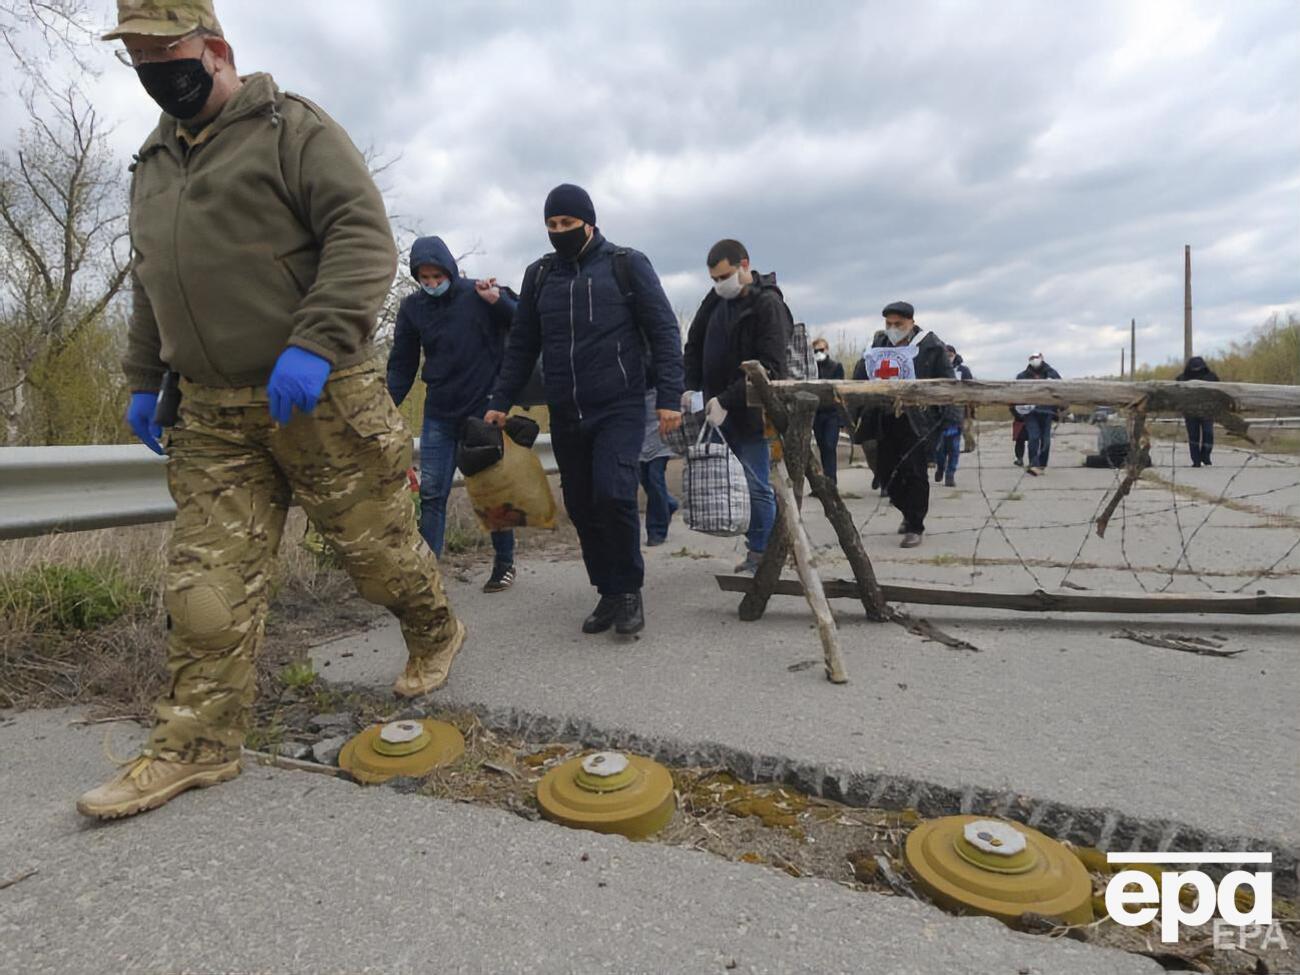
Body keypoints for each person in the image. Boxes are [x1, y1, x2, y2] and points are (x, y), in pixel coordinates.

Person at [81, 1, 464, 820]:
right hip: (213, 417)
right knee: (204, 589)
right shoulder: (151, 163)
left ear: (214, 49)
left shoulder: (293, 129)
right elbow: (152, 278)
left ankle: (434, 627)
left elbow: (363, 237)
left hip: (320, 398)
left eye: (164, 49)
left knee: (378, 558)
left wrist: (317, 340)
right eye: (137, 55)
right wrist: (144, 375)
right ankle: (197, 744)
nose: (152, 69)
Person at [485, 184, 683, 636]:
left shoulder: (626, 265)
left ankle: (630, 590)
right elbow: (521, 346)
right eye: (552, 225)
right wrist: (499, 400)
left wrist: (670, 397)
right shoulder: (539, 277)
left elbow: (665, 331)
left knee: (613, 493)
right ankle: (608, 592)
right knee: (581, 502)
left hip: (620, 404)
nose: (559, 232)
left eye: (567, 224)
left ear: (589, 223)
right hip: (566, 408)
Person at [387, 236, 519, 592]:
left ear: (449, 268)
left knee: (491, 491)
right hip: (439, 414)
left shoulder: (479, 293)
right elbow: (401, 365)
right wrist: (383, 406)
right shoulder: (412, 309)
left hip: (482, 412)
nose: (431, 284)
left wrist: (500, 301)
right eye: (424, 278)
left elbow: (524, 327)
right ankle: (428, 575)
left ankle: (505, 562)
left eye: (436, 276)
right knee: (432, 493)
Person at [682, 239, 785, 575]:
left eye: (724, 276)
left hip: (750, 412)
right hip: (714, 408)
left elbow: (770, 367)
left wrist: (727, 399)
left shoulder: (767, 305)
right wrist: (691, 387)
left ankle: (763, 554)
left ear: (744, 265)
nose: (719, 284)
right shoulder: (715, 301)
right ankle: (756, 547)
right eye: (713, 279)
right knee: (730, 482)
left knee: (756, 484)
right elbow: (694, 343)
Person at [852, 302, 959, 547]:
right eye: (889, 324)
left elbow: (947, 382)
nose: (893, 329)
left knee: (914, 472)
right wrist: (851, 413)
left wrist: (950, 418)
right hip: (883, 418)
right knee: (886, 473)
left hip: (917, 420)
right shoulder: (876, 346)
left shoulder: (930, 346)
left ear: (910, 322)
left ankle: (915, 524)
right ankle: (906, 510)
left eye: (898, 324)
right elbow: (859, 378)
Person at [639, 387, 679, 545]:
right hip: (638, 430)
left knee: (655, 478)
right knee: (644, 478)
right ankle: (668, 503)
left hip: (661, 430)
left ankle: (657, 530)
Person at [1016, 352, 1062, 475]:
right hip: (1030, 412)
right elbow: (1016, 395)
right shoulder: (1022, 376)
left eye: (1036, 358)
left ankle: (1042, 464)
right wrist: (1018, 413)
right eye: (1032, 358)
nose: (1034, 360)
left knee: (1046, 440)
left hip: (1047, 411)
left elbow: (1061, 392)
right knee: (1034, 437)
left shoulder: (1052, 374)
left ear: (1042, 359)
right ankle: (1033, 464)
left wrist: (1059, 410)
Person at [932, 345, 969, 487]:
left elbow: (971, 390)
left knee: (954, 448)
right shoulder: (935, 370)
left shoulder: (963, 371)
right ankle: (940, 467)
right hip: (938, 415)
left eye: (950, 354)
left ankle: (950, 474)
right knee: (939, 449)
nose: (948, 356)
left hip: (956, 414)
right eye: (945, 354)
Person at [811, 337, 846, 483]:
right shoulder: (812, 368)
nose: (819, 353)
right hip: (817, 413)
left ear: (827, 349)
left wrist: (842, 418)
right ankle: (826, 479)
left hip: (832, 413)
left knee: (829, 445)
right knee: (822, 446)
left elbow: (841, 391)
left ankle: (831, 480)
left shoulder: (836, 366)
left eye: (821, 350)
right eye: (816, 350)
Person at [1175, 355, 1219, 467]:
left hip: (1207, 411)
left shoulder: (1211, 377)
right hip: (1190, 412)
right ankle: (1196, 460)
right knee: (1193, 436)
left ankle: (1205, 455)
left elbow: (1219, 392)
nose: (1196, 371)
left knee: (1208, 434)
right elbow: (1176, 394)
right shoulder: (1182, 378)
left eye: (1198, 368)